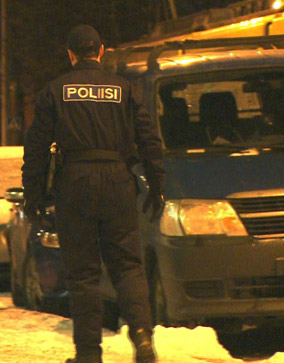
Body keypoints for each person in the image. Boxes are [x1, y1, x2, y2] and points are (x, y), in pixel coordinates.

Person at [22, 24, 165, 363]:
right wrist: (157, 184)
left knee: (84, 274)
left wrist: (34, 196)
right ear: (101, 52)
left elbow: (37, 148)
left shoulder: (55, 91)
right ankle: (142, 337)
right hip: (117, 180)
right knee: (129, 266)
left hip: (75, 184)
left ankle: (88, 355)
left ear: (70, 55)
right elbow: (148, 139)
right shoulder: (125, 89)